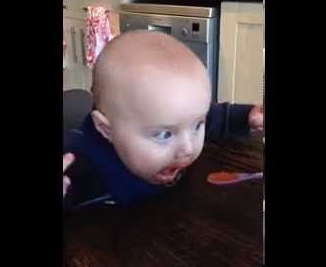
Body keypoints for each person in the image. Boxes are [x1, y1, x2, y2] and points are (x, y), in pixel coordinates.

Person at [62, 30, 263, 208]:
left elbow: (214, 117)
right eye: (164, 134)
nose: (188, 149)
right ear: (106, 130)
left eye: (197, 125)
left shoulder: (177, 123)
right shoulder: (77, 163)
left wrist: (245, 116)